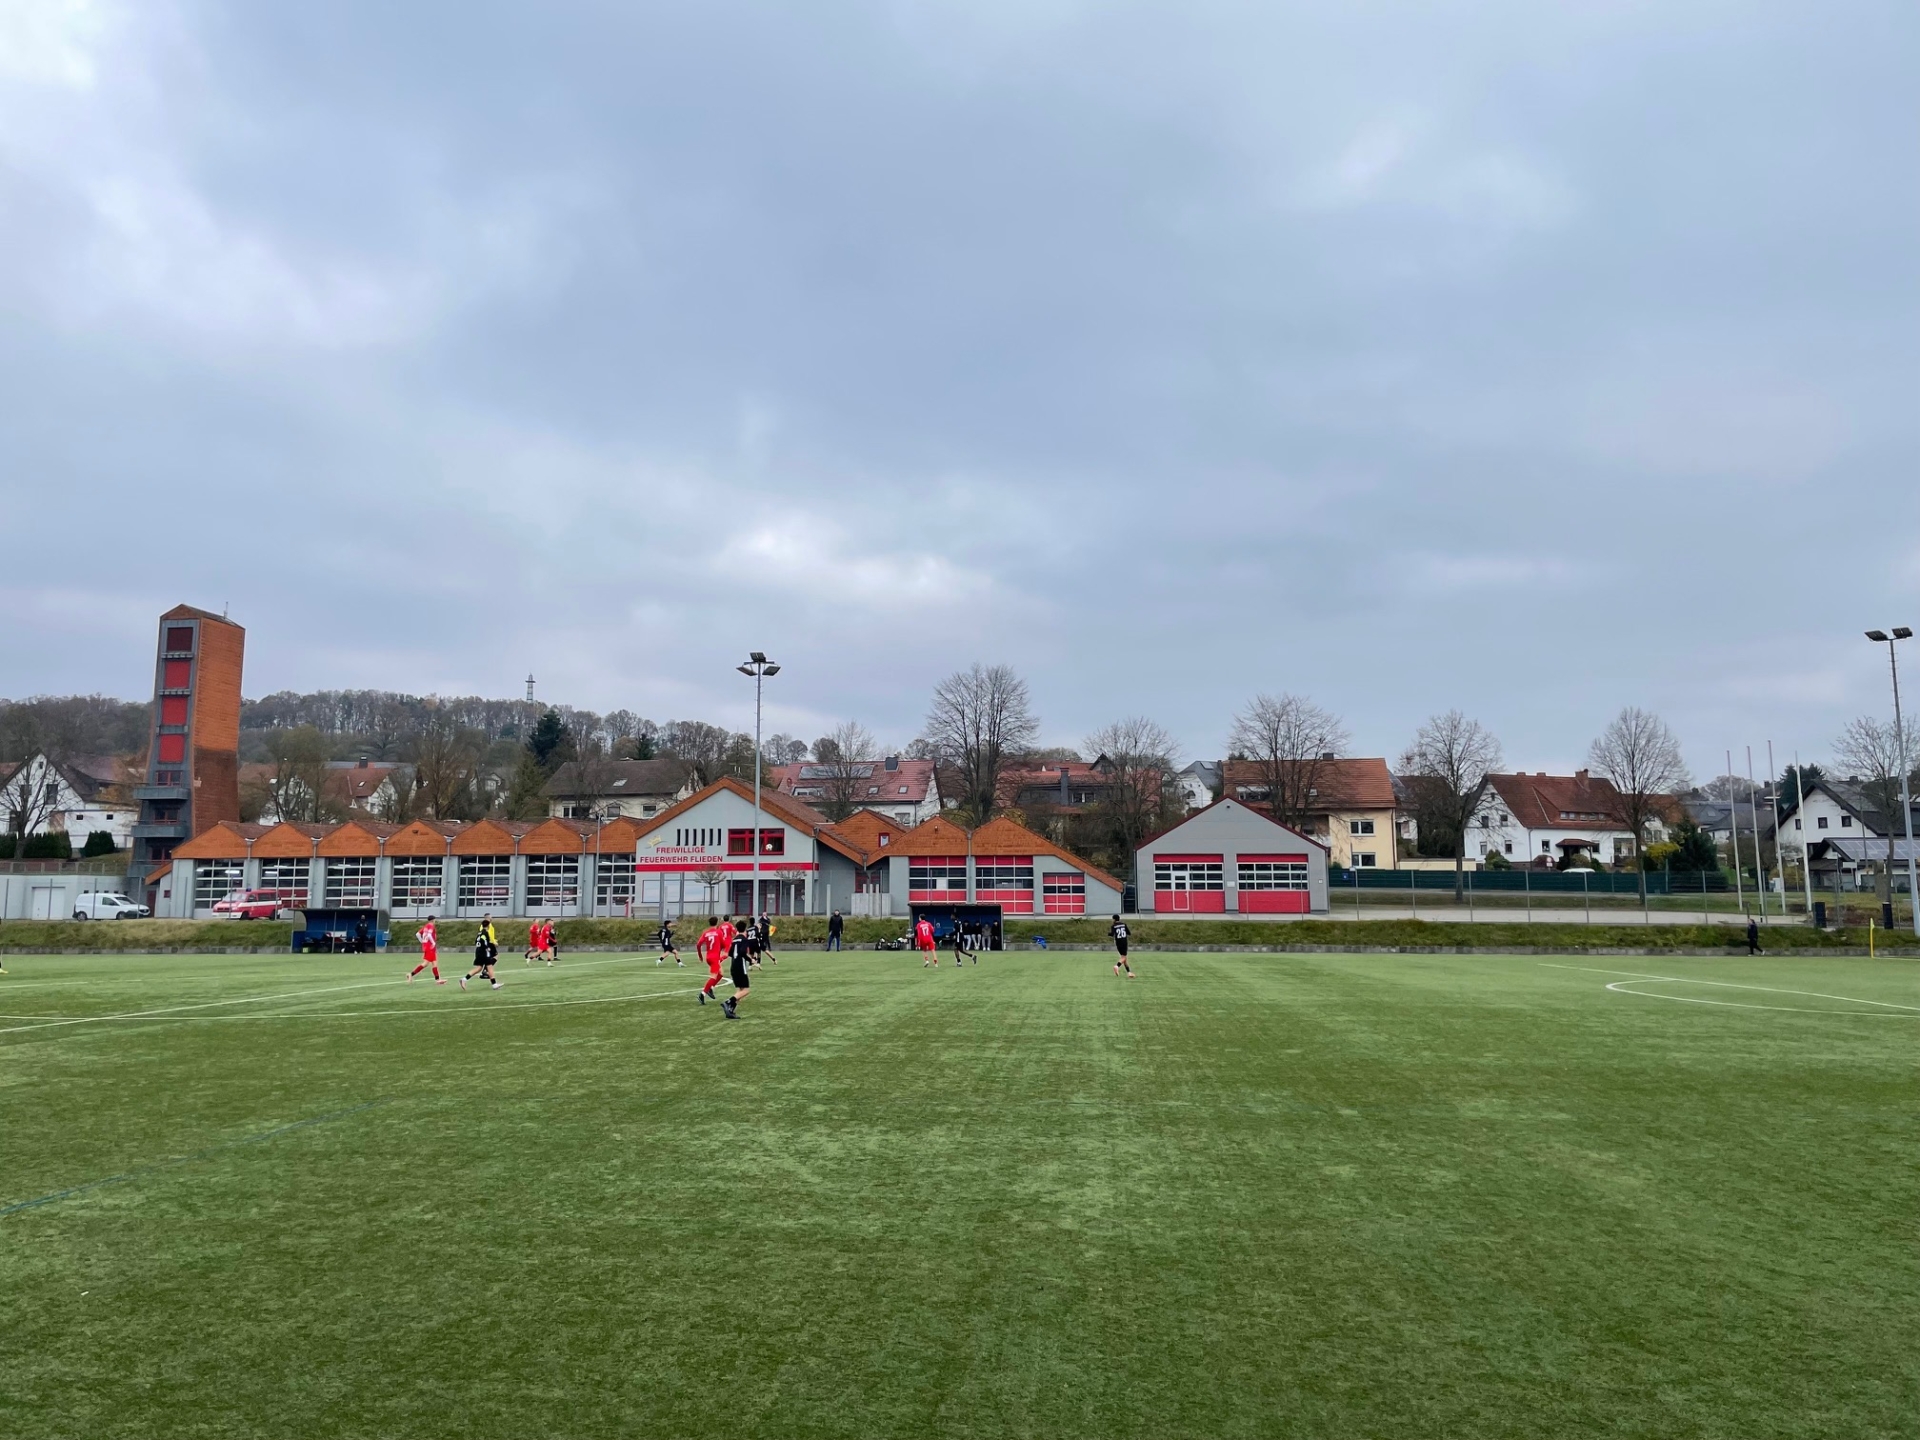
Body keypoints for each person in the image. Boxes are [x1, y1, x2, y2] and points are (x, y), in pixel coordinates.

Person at [722, 915, 754, 1019]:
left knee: (740, 990)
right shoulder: (744, 939)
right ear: (745, 930)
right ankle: (728, 1002)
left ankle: (730, 1011)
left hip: (733, 966)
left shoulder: (734, 939)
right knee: (746, 990)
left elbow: (730, 953)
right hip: (740, 967)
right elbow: (743, 952)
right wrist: (751, 960)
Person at [696, 915, 732, 1006]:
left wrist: (700, 956)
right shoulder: (718, 932)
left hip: (708, 957)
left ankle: (711, 988)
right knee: (714, 976)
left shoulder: (706, 933)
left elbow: (698, 944)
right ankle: (703, 994)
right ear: (717, 923)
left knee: (721, 973)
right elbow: (724, 944)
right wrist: (725, 951)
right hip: (715, 957)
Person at [463, 915, 502, 989]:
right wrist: (487, 947)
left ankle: (464, 979)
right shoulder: (485, 933)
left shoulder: (480, 933)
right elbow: (484, 940)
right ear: (488, 926)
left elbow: (477, 941)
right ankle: (494, 984)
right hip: (484, 952)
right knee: (489, 967)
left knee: (479, 968)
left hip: (479, 951)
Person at [407, 915, 444, 983]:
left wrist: (422, 941)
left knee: (430, 963)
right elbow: (429, 935)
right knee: (429, 963)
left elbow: (417, 934)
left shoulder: (426, 926)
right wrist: (433, 943)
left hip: (427, 947)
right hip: (430, 947)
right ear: (433, 920)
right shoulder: (431, 926)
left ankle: (438, 979)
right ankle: (411, 974)